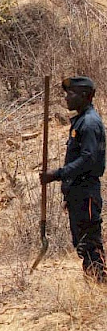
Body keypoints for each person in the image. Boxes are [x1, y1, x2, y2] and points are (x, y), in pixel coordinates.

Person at [41, 76, 106, 282]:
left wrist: (57, 174)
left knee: (91, 243)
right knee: (82, 243)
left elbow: (88, 160)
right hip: (77, 192)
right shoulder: (80, 121)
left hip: (86, 192)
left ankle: (101, 284)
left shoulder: (89, 123)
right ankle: (94, 282)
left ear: (85, 96)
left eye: (71, 94)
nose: (66, 98)